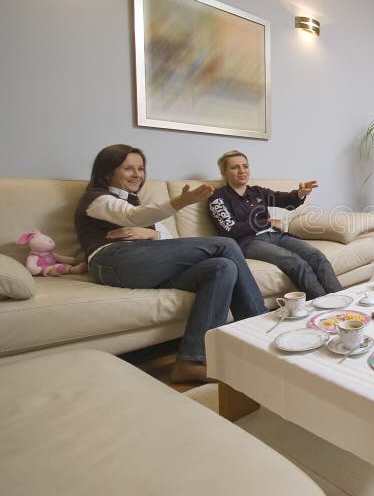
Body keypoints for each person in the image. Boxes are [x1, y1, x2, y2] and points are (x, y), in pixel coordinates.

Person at [74, 144, 267, 383]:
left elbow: (169, 239)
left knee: (222, 268)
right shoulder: (96, 199)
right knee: (225, 245)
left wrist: (151, 235)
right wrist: (180, 202)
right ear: (107, 173)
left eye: (141, 169)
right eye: (128, 169)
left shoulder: (135, 203)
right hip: (112, 261)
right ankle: (262, 331)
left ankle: (191, 361)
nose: (137, 174)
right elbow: (130, 216)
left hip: (146, 262)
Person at [207, 150, 342, 299]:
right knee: (296, 263)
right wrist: (265, 223)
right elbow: (230, 230)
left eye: (245, 166)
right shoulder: (217, 197)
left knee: (317, 256)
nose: (242, 171)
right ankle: (325, 309)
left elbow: (283, 199)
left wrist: (300, 193)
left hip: (276, 235)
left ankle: (341, 301)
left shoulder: (257, 191)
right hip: (249, 243)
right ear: (223, 172)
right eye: (235, 167)